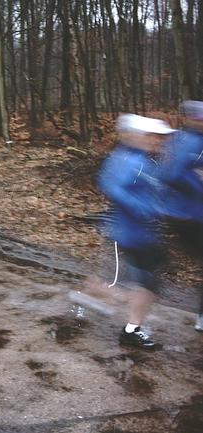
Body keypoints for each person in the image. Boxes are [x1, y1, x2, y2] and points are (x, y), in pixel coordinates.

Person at [98, 114, 175, 349]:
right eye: (154, 136)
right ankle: (129, 327)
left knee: (148, 282)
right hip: (130, 233)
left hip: (143, 234)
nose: (158, 141)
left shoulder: (143, 160)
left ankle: (126, 320)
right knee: (144, 284)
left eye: (160, 138)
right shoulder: (128, 160)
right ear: (139, 136)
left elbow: (154, 189)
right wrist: (142, 209)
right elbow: (112, 187)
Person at [160, 101, 203, 332]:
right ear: (192, 119)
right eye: (199, 119)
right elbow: (172, 174)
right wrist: (198, 182)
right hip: (187, 215)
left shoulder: (191, 140)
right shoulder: (187, 141)